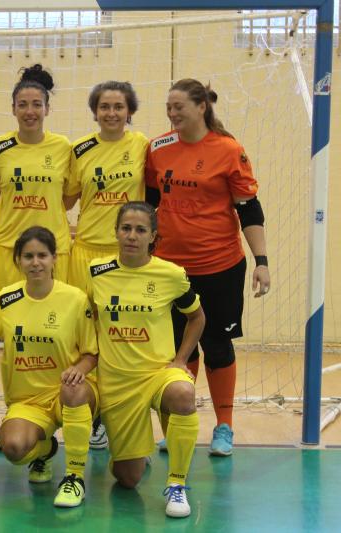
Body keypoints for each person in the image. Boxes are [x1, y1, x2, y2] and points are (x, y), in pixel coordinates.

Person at [145, 79, 270, 456]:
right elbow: (149, 202)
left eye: (179, 106)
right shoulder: (158, 147)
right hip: (169, 269)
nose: (172, 113)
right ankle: (180, 424)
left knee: (216, 344)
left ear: (202, 107)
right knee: (179, 349)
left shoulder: (228, 150)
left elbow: (249, 208)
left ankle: (224, 427)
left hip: (220, 266)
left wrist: (262, 262)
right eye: (168, 107)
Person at [87, 201, 205, 518]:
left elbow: (197, 318)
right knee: (127, 479)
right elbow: (88, 319)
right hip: (117, 382)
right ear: (116, 232)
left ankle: (177, 484)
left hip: (158, 374)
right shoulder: (97, 272)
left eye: (141, 230)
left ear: (153, 236)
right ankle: (136, 450)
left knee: (183, 393)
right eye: (126, 228)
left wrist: (181, 360)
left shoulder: (171, 275)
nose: (132, 236)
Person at [0, 226, 99, 508]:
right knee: (14, 448)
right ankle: (46, 450)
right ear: (18, 261)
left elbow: (91, 353)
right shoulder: (7, 298)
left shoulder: (75, 299)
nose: (36, 263)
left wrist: (79, 370)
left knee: (73, 390)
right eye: (28, 256)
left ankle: (75, 477)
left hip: (69, 391)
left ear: (54, 258)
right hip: (28, 400)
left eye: (42, 255)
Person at [68, 81, 149, 450]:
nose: (111, 113)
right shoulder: (81, 149)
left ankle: (127, 414)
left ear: (129, 111)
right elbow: (66, 198)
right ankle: (90, 414)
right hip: (85, 253)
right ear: (95, 111)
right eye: (104, 107)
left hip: (125, 257)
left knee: (122, 336)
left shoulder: (142, 146)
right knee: (87, 338)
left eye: (118, 106)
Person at [0, 64, 76, 298]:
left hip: (53, 249)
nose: (30, 111)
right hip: (9, 248)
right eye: (22, 105)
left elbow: (67, 199)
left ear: (47, 109)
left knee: (54, 314)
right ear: (13, 109)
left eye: (37, 104)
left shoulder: (63, 147)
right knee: (8, 314)